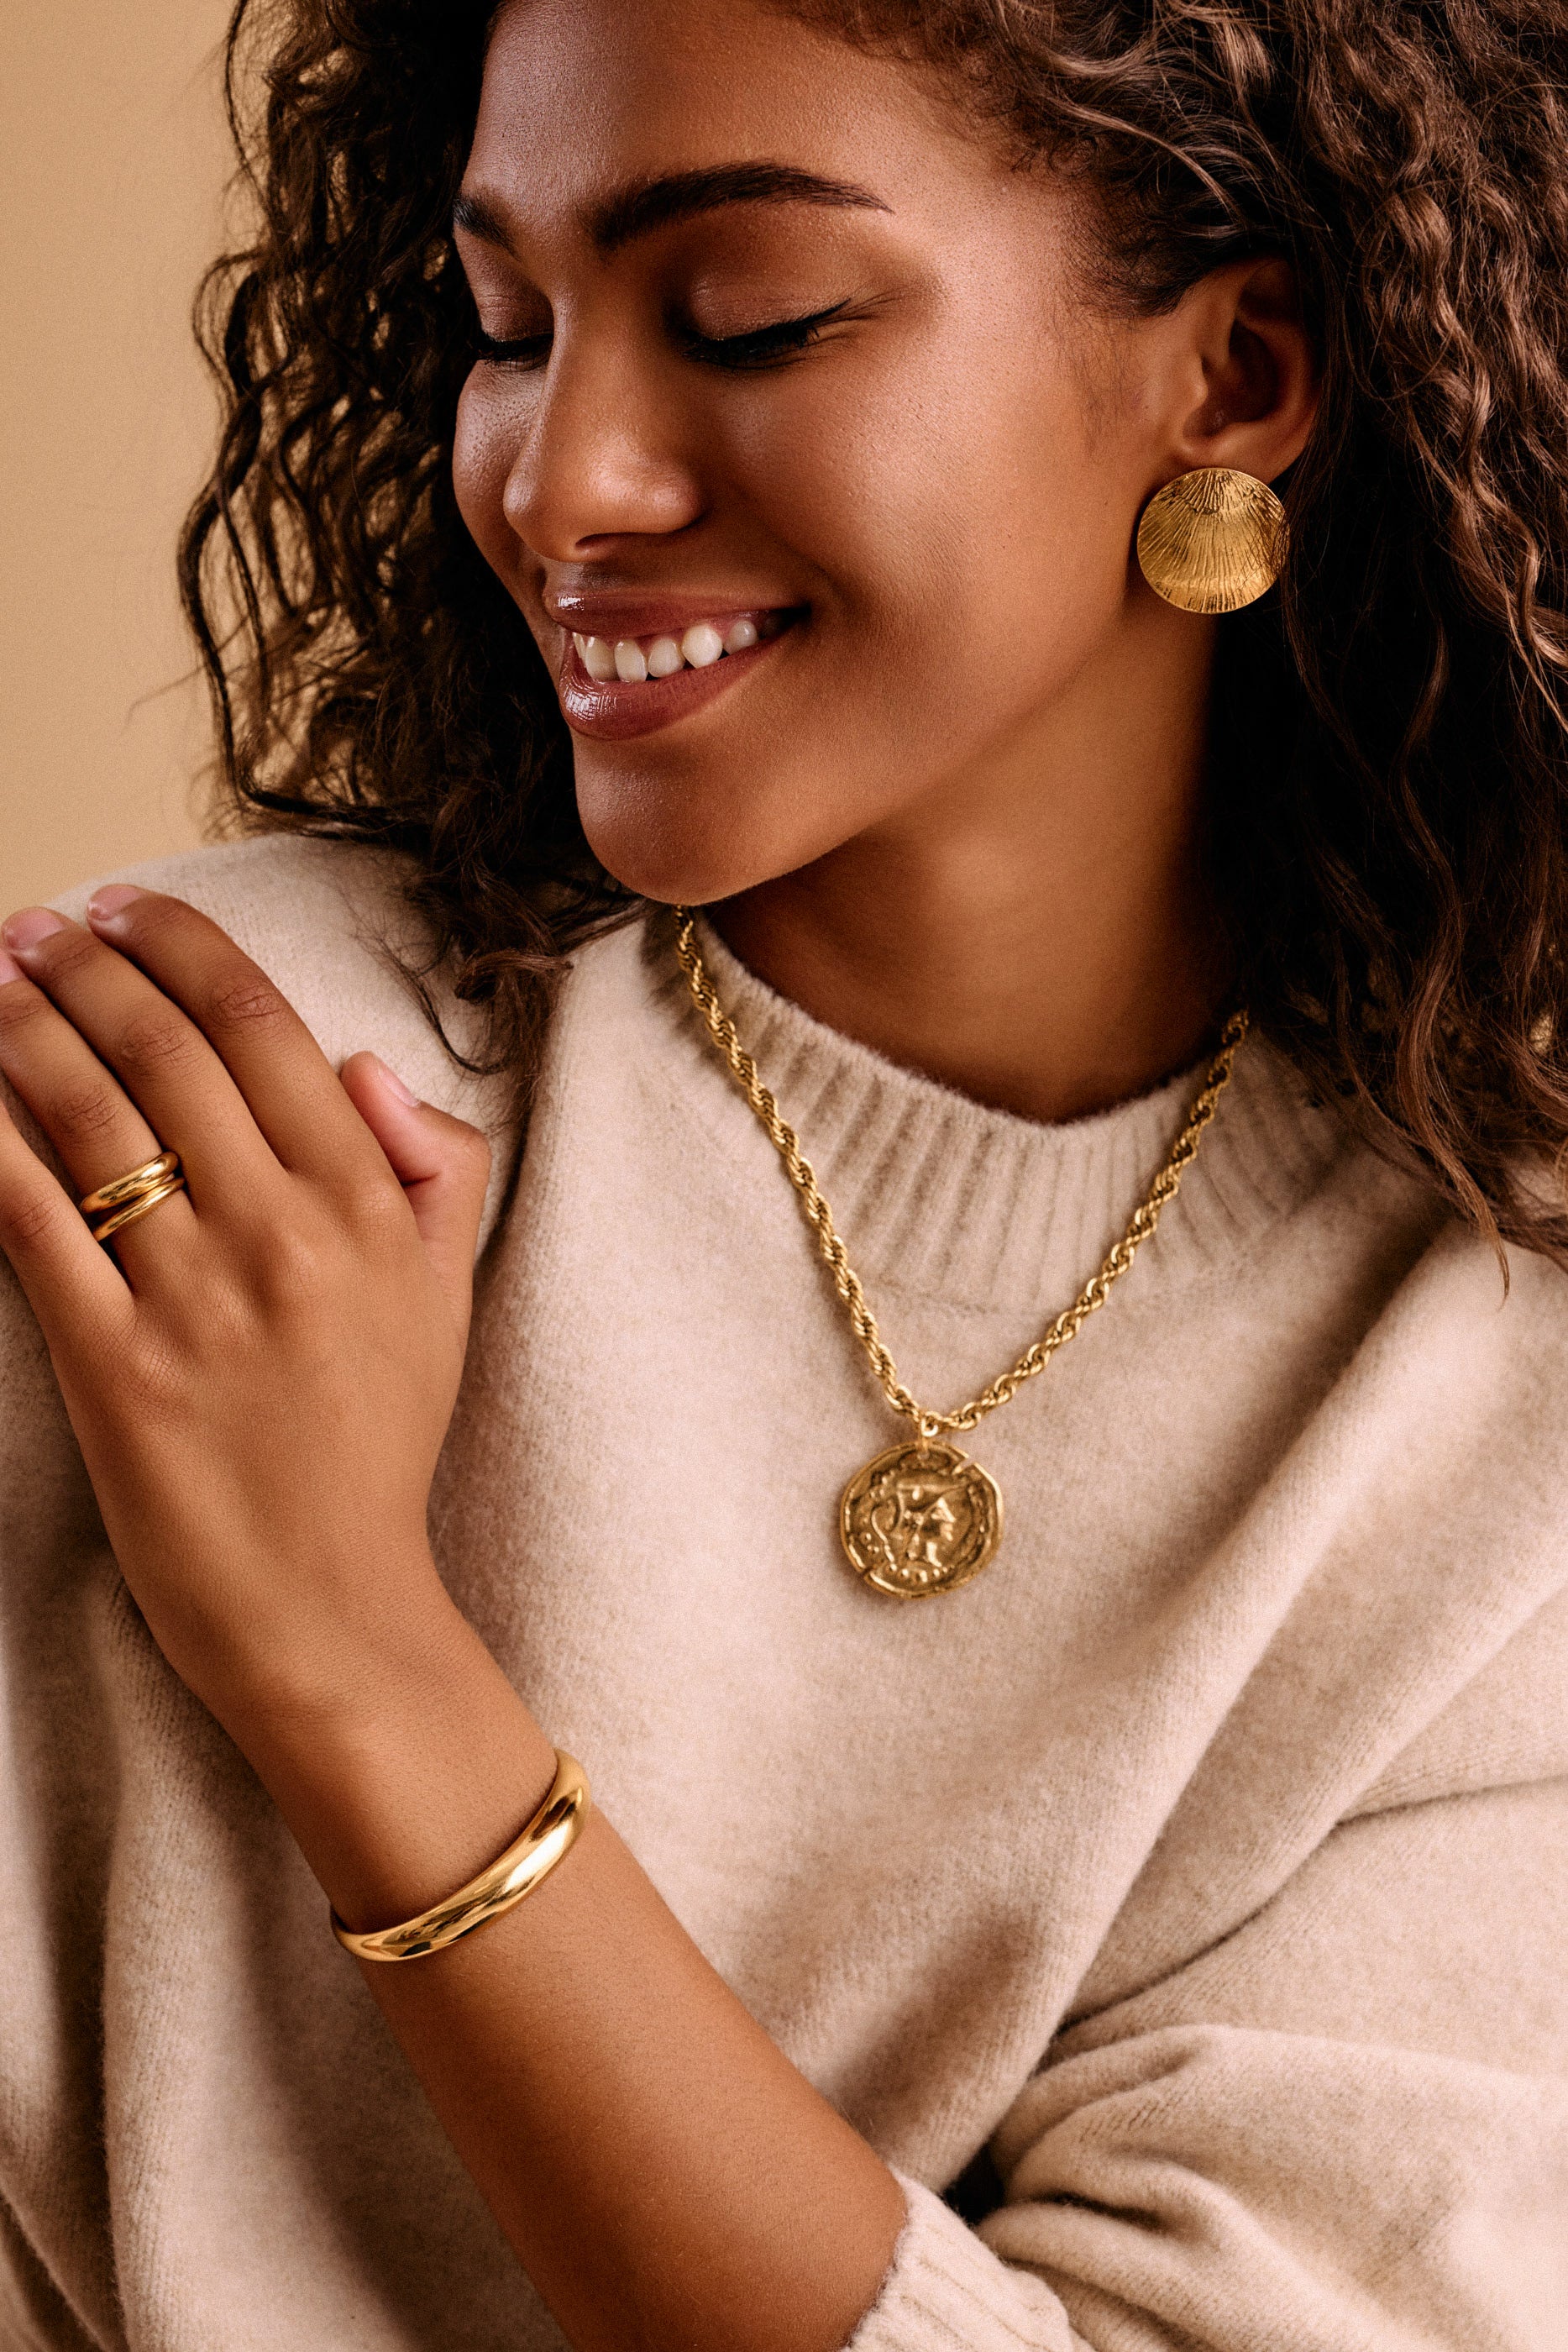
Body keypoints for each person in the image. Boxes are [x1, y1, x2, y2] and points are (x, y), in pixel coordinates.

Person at [1, 0, 1564, 2344]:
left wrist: (352, 1664)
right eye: (505, 325)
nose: (563, 483)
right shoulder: (198, 1110)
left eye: (752, 317)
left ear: (1236, 379)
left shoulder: (1497, 1404)